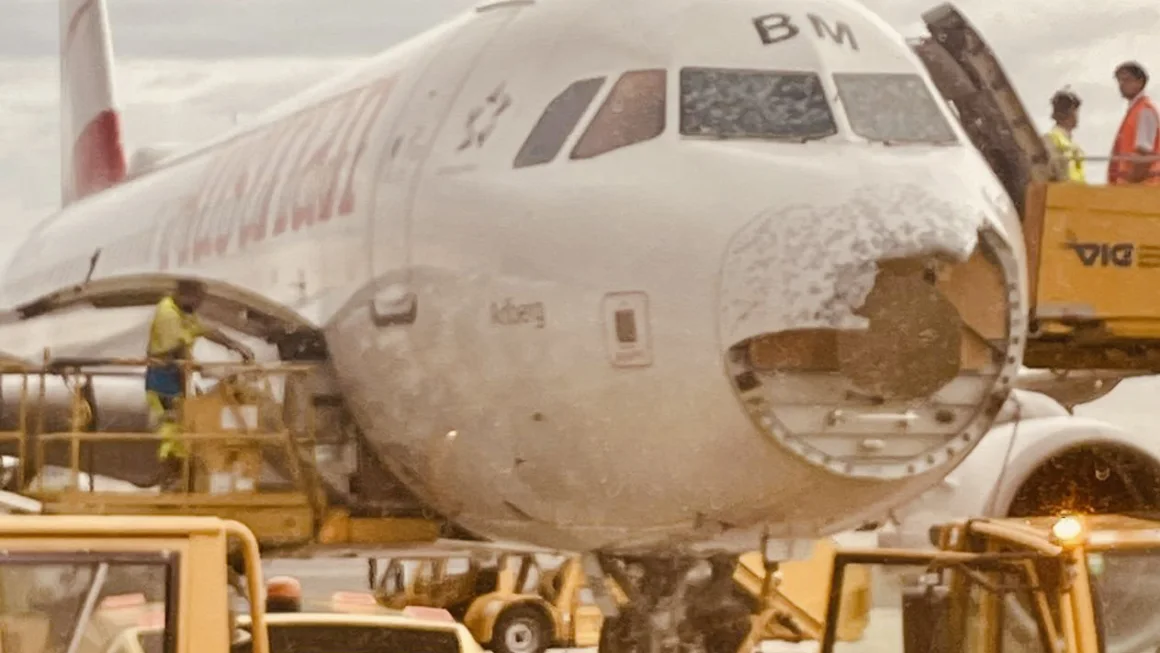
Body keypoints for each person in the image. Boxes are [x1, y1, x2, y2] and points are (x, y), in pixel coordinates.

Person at [146, 280, 253, 489]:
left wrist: (234, 344)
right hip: (163, 379)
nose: (199, 305)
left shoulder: (183, 311)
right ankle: (172, 476)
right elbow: (176, 349)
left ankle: (183, 475)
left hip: (176, 376)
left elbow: (205, 329)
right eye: (197, 300)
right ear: (184, 295)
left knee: (183, 424)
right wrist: (203, 369)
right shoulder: (167, 314)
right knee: (172, 429)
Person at [1109, 61, 1160, 185]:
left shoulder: (1144, 111)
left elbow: (1144, 154)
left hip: (1143, 187)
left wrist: (1130, 182)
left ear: (1140, 82)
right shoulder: (1135, 111)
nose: (1121, 84)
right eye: (1120, 80)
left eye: (1127, 80)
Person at [1043, 88, 1086, 183]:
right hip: (1062, 193)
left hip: (1077, 194)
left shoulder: (1074, 146)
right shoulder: (1050, 139)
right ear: (1071, 112)